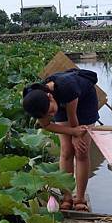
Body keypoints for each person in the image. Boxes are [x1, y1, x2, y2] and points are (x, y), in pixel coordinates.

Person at [22, 68, 99, 212]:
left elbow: (73, 118)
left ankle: (80, 198)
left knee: (81, 151)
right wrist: (71, 131)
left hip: (83, 100)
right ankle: (67, 196)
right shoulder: (37, 101)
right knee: (66, 151)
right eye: (48, 114)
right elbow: (46, 125)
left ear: (50, 97)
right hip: (60, 104)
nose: (51, 115)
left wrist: (77, 135)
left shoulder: (67, 87)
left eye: (51, 112)